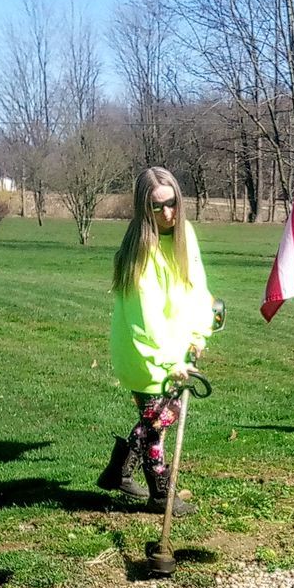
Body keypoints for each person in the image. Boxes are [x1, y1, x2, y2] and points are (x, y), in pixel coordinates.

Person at [99, 166, 214, 516]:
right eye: (157, 207)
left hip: (175, 345)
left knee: (159, 417)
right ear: (142, 208)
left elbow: (195, 286)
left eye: (173, 203)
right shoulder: (140, 253)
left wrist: (198, 334)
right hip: (145, 352)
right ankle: (161, 495)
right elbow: (144, 320)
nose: (168, 213)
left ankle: (119, 471)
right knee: (159, 420)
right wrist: (169, 362)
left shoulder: (185, 234)